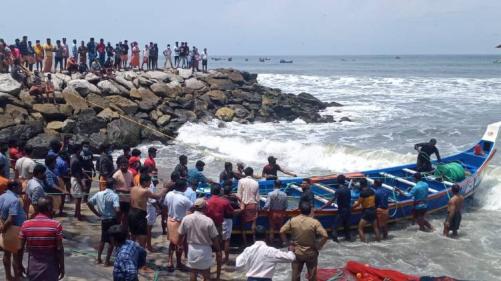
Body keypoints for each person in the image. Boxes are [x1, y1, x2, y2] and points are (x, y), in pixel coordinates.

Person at [19, 196, 65, 281]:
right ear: (49, 208)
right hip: (51, 269)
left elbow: (20, 248)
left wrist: (19, 265)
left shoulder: (26, 224)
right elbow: (59, 249)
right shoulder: (56, 225)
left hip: (33, 268)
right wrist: (62, 267)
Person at [280, 201, 328, 281]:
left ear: (299, 210)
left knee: (295, 276)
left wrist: (287, 243)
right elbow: (325, 235)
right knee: (312, 276)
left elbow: (282, 231)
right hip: (311, 252)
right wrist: (319, 246)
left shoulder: (292, 220)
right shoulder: (314, 222)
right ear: (310, 211)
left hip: (297, 252)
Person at [178, 198, 221, 281]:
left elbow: (180, 234)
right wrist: (218, 250)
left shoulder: (186, 218)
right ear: (205, 208)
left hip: (192, 249)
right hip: (205, 250)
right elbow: (214, 238)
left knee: (193, 271)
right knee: (206, 273)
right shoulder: (208, 221)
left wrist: (179, 244)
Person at [87, 178, 120, 266]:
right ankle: (107, 261)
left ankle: (98, 259)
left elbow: (89, 203)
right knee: (111, 241)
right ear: (113, 186)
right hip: (112, 220)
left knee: (102, 240)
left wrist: (97, 213)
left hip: (104, 220)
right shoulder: (114, 195)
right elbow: (117, 209)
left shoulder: (98, 194)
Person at [129, 173, 167, 249]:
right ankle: (141, 257)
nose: (150, 183)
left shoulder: (133, 189)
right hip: (140, 214)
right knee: (142, 239)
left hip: (131, 213)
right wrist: (164, 190)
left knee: (133, 236)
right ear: (144, 182)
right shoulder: (145, 191)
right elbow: (157, 197)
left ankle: (131, 254)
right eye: (149, 182)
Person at [163, 179, 193, 270]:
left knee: (172, 242)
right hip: (179, 223)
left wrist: (165, 218)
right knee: (180, 244)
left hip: (169, 220)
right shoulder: (184, 199)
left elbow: (164, 207)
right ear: (184, 188)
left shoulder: (169, 194)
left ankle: (170, 261)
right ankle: (179, 263)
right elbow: (193, 208)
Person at [0, 181, 26, 281]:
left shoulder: (2, 196)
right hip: (13, 229)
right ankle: (16, 278)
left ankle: (8, 277)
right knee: (16, 255)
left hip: (5, 228)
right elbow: (11, 219)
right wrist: (4, 229)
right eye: (20, 187)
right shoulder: (15, 200)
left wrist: (2, 229)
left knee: (6, 254)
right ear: (14, 187)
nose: (22, 189)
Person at [206, 185, 233, 279]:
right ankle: (218, 276)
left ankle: (207, 275)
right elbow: (231, 212)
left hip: (207, 227)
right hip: (218, 226)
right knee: (218, 250)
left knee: (208, 249)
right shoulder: (224, 202)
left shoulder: (206, 202)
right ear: (220, 192)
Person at [320, 175, 352, 242]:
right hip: (348, 210)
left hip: (342, 211)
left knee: (334, 228)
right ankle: (348, 239)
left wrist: (321, 208)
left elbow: (331, 201)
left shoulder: (338, 191)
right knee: (346, 227)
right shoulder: (348, 189)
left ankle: (336, 243)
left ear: (337, 181)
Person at [237, 167, 260, 245]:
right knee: (253, 223)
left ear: (245, 173)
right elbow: (257, 198)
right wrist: (258, 207)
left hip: (244, 204)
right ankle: (254, 240)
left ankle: (245, 242)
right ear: (252, 173)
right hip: (253, 204)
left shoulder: (241, 181)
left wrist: (240, 205)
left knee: (243, 224)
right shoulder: (256, 182)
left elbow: (239, 195)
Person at [222, 183, 241, 264]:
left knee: (220, 239)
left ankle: (220, 257)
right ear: (230, 191)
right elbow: (238, 208)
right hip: (228, 220)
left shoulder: (221, 198)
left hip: (220, 220)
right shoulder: (233, 199)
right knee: (227, 240)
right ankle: (226, 258)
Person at [113, 156, 134, 228]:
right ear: (120, 165)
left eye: (126, 164)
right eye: (122, 165)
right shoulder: (116, 175)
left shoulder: (130, 173)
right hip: (119, 199)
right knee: (118, 215)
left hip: (128, 199)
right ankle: (117, 229)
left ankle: (125, 229)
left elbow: (132, 184)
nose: (124, 166)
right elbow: (113, 187)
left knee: (126, 216)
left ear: (128, 165)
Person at [264, 180, 288, 244]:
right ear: (280, 185)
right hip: (281, 213)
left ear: (274, 185)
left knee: (271, 228)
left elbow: (267, 205)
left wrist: (264, 209)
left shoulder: (270, 194)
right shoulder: (284, 194)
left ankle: (271, 242)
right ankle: (284, 242)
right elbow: (286, 206)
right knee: (281, 228)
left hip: (272, 213)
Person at [70, 143, 86, 220]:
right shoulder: (75, 160)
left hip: (74, 178)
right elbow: (77, 175)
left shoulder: (73, 158)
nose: (81, 151)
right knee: (78, 198)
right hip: (76, 179)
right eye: (80, 149)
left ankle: (77, 213)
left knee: (78, 197)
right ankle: (78, 214)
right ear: (78, 150)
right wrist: (82, 184)